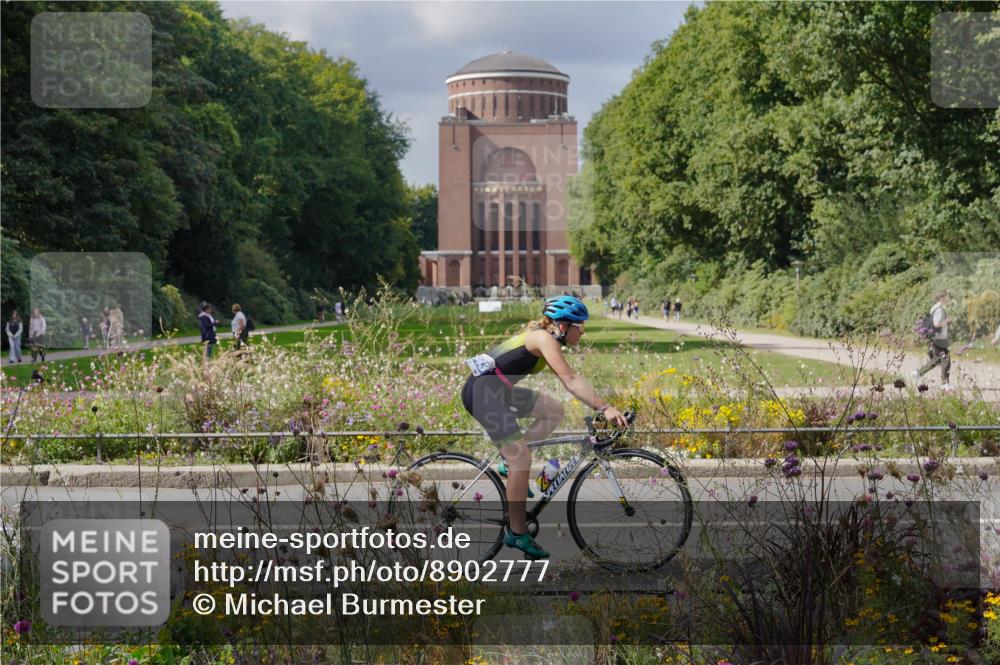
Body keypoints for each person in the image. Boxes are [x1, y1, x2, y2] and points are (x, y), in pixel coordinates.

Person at [461, 295, 628, 559]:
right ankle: (517, 531)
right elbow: (570, 381)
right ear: (563, 326)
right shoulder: (543, 339)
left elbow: (571, 383)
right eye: (579, 327)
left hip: (495, 390)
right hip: (483, 394)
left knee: (553, 411)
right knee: (522, 458)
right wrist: (605, 407)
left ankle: (510, 462)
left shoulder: (546, 339)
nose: (582, 332)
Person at [914, 291, 951, 390]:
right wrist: (947, 321)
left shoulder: (935, 308)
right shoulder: (939, 310)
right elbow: (936, 324)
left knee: (935, 360)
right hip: (939, 338)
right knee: (946, 359)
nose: (948, 299)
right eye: (947, 297)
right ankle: (945, 383)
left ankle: (918, 373)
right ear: (941, 298)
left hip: (936, 337)